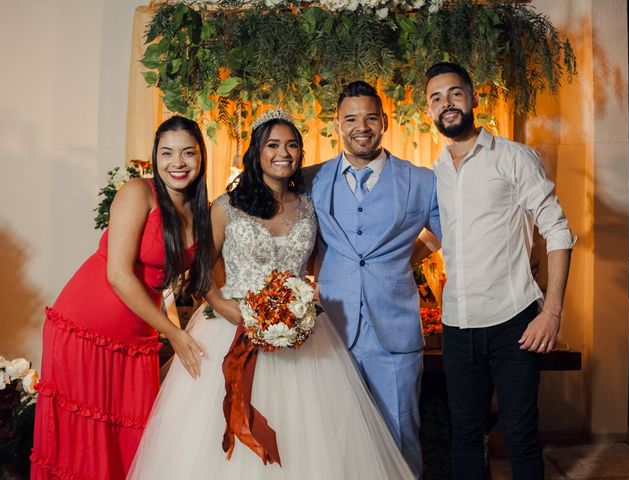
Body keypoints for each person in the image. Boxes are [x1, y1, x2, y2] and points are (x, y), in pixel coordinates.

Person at [127, 110, 414, 479]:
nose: (284, 152)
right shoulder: (226, 206)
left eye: (291, 145)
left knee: (310, 435)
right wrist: (220, 304)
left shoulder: (310, 207)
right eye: (273, 145)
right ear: (257, 153)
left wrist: (304, 308)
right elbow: (200, 266)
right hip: (231, 327)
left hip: (303, 337)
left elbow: (324, 262)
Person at [30, 116, 213, 480]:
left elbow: (187, 283)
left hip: (136, 331)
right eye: (167, 153)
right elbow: (118, 274)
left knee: (127, 440)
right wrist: (173, 334)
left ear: (201, 158)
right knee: (84, 444)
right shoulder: (137, 192)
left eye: (187, 153)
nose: (177, 163)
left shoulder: (201, 212)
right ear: (155, 156)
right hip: (86, 325)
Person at [424, 62, 574, 480]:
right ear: (428, 111)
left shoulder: (513, 157)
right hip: (457, 322)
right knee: (466, 435)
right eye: (436, 98)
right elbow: (439, 237)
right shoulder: (433, 173)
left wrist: (552, 312)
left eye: (455, 93)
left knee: (520, 435)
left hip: (514, 322)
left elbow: (559, 232)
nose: (446, 104)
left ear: (473, 99)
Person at [305, 81, 442, 478]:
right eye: (350, 118)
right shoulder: (311, 179)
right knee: (335, 438)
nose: (360, 126)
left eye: (369, 117)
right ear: (336, 124)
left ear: (384, 122)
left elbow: (446, 235)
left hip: (395, 334)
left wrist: (407, 257)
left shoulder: (421, 180)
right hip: (331, 332)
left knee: (400, 435)